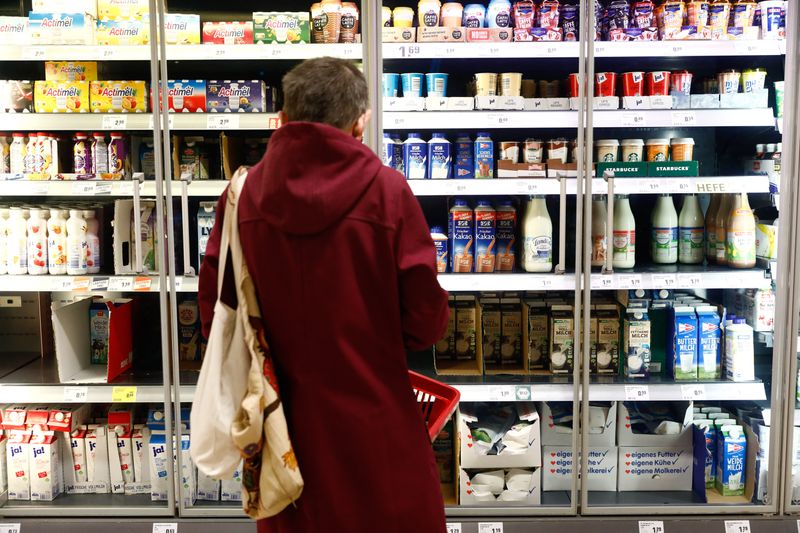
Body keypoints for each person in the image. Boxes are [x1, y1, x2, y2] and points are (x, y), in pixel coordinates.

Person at [198, 57, 450, 533]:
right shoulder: (388, 193)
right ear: (359, 123)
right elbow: (425, 323)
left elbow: (217, 317)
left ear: (285, 119)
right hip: (378, 431)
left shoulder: (240, 196)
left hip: (282, 436)